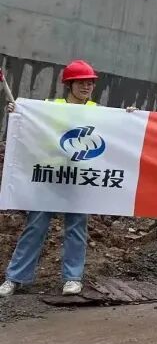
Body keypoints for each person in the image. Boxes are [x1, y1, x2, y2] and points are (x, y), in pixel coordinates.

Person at [0, 61, 133, 299]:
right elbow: (31, 122)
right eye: (81, 82)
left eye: (90, 83)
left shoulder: (98, 110)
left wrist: (131, 116)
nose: (87, 86)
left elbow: (119, 127)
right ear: (69, 84)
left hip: (79, 180)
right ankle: (15, 277)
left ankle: (72, 278)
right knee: (35, 227)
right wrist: (18, 114)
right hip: (50, 176)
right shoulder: (51, 107)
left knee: (76, 227)